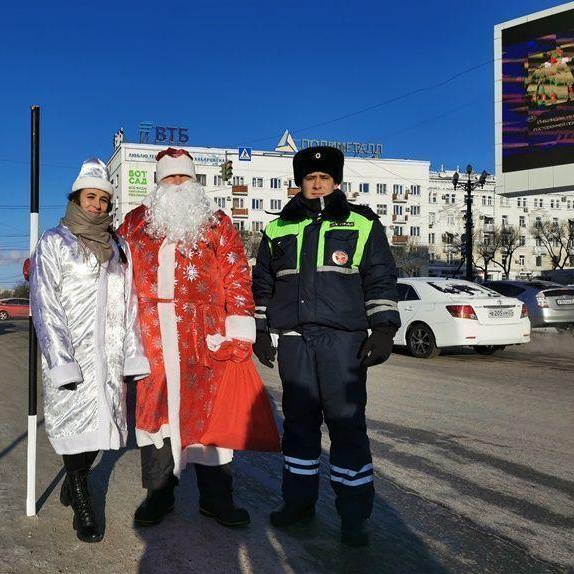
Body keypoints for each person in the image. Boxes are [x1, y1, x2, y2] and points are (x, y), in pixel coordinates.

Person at [251, 146, 401, 547]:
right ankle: (298, 505)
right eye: (309, 179)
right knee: (299, 426)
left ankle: (354, 517)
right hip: (297, 340)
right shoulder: (278, 228)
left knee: (347, 425)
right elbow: (263, 283)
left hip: (343, 339)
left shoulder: (362, 223)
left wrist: (384, 328)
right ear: (299, 184)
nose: (316, 184)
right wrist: (261, 330)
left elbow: (380, 277)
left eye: (324, 178)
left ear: (336, 182)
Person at [118, 147, 256, 528]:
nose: (177, 184)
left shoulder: (216, 223)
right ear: (158, 182)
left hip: (204, 335)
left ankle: (216, 499)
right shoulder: (134, 223)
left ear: (194, 181)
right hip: (153, 334)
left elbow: (237, 276)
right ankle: (159, 497)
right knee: (154, 415)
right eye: (170, 177)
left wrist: (240, 330)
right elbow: (107, 265)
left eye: (184, 177)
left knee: (210, 418)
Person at [30, 158, 149, 543]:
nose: (97, 205)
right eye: (90, 197)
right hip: (72, 356)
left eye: (103, 199)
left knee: (98, 437)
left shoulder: (118, 246)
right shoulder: (54, 241)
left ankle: (74, 478)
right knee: (73, 429)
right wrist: (60, 360)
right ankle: (83, 505)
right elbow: (45, 304)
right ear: (76, 198)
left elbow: (130, 303)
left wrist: (132, 352)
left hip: (110, 358)